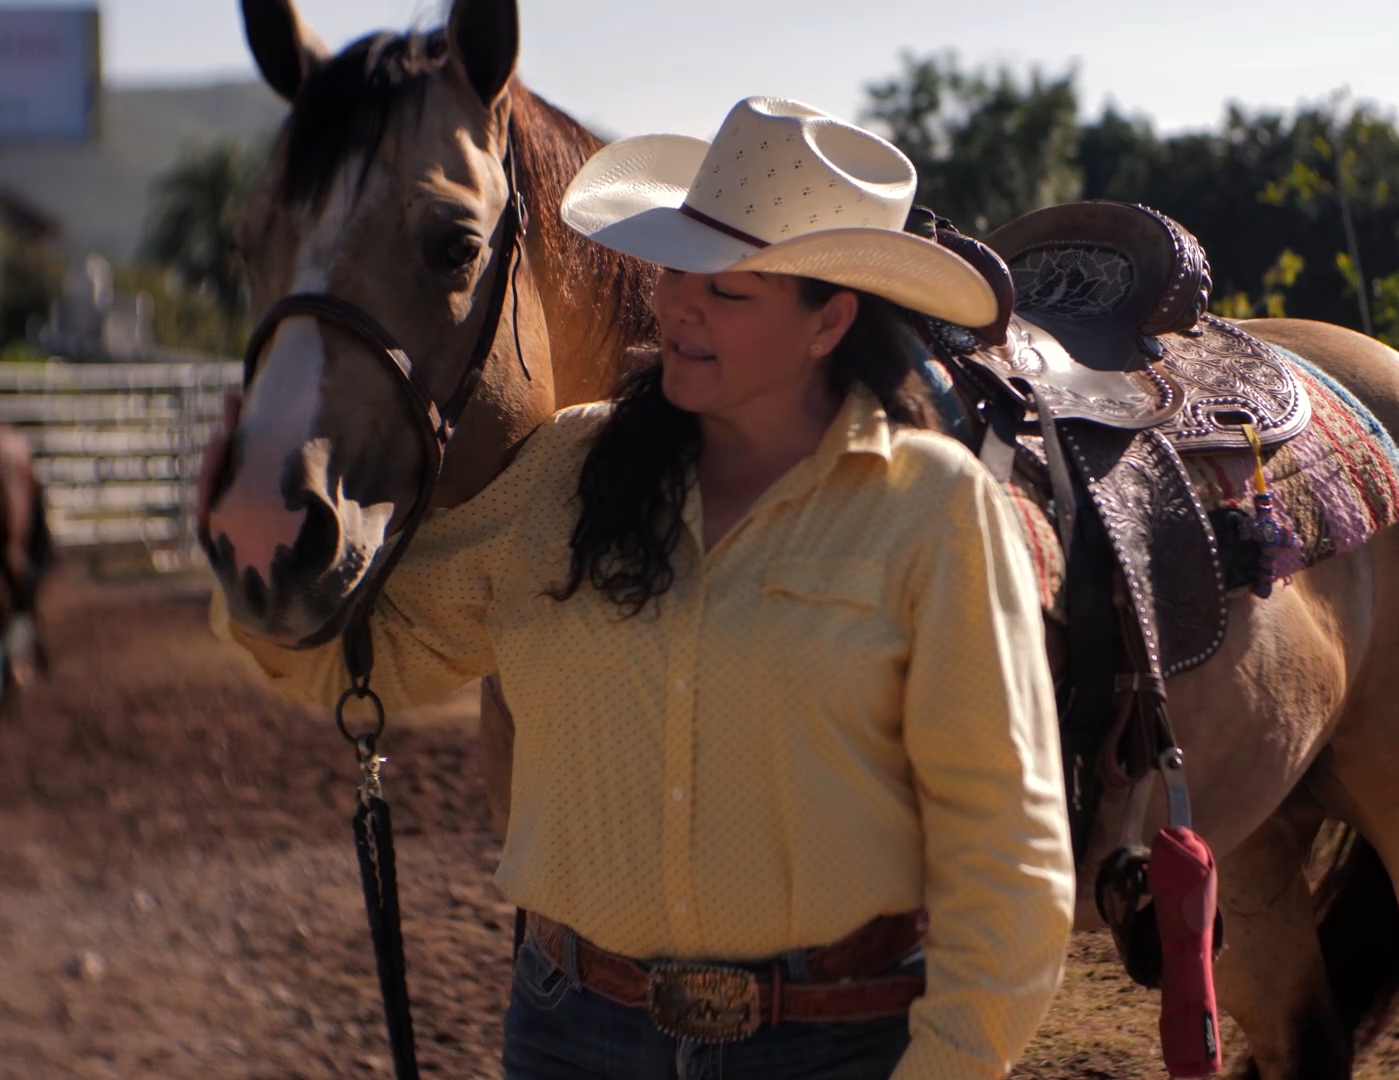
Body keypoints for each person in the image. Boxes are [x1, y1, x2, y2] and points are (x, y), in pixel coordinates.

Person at [205, 97, 1075, 1080]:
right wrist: (256, 572)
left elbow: (1006, 856)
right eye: (670, 270)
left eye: (729, 292)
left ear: (829, 319)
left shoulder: (932, 513)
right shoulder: (566, 475)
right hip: (572, 1033)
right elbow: (371, 667)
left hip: (836, 1046)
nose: (676, 308)